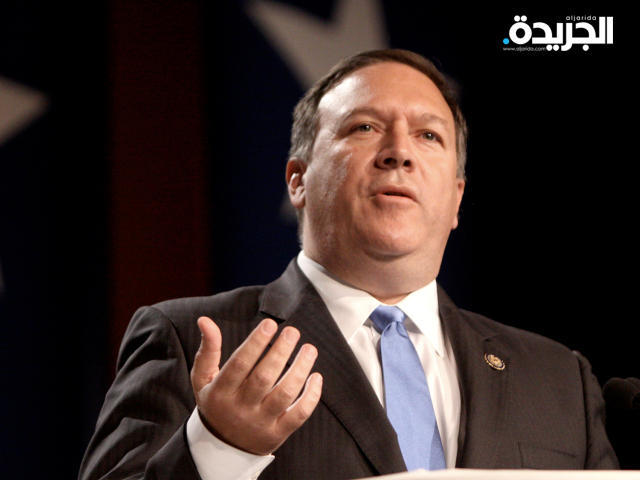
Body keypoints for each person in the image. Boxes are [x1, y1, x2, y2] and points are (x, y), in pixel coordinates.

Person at [78, 49, 618, 480]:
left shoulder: (558, 379)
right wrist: (219, 449)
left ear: (456, 199)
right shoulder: (193, 341)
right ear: (298, 181)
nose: (399, 152)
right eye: (364, 128)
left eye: (429, 135)